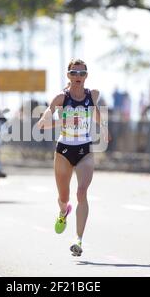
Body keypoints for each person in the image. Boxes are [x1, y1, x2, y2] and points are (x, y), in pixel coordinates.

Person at [37, 59, 110, 257]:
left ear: (87, 76)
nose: (78, 77)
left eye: (82, 73)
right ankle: (63, 212)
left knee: (82, 192)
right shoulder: (61, 97)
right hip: (64, 150)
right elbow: (49, 112)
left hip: (84, 149)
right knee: (64, 197)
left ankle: (78, 239)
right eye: (74, 73)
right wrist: (45, 118)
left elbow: (95, 113)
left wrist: (103, 128)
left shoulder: (93, 94)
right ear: (68, 75)